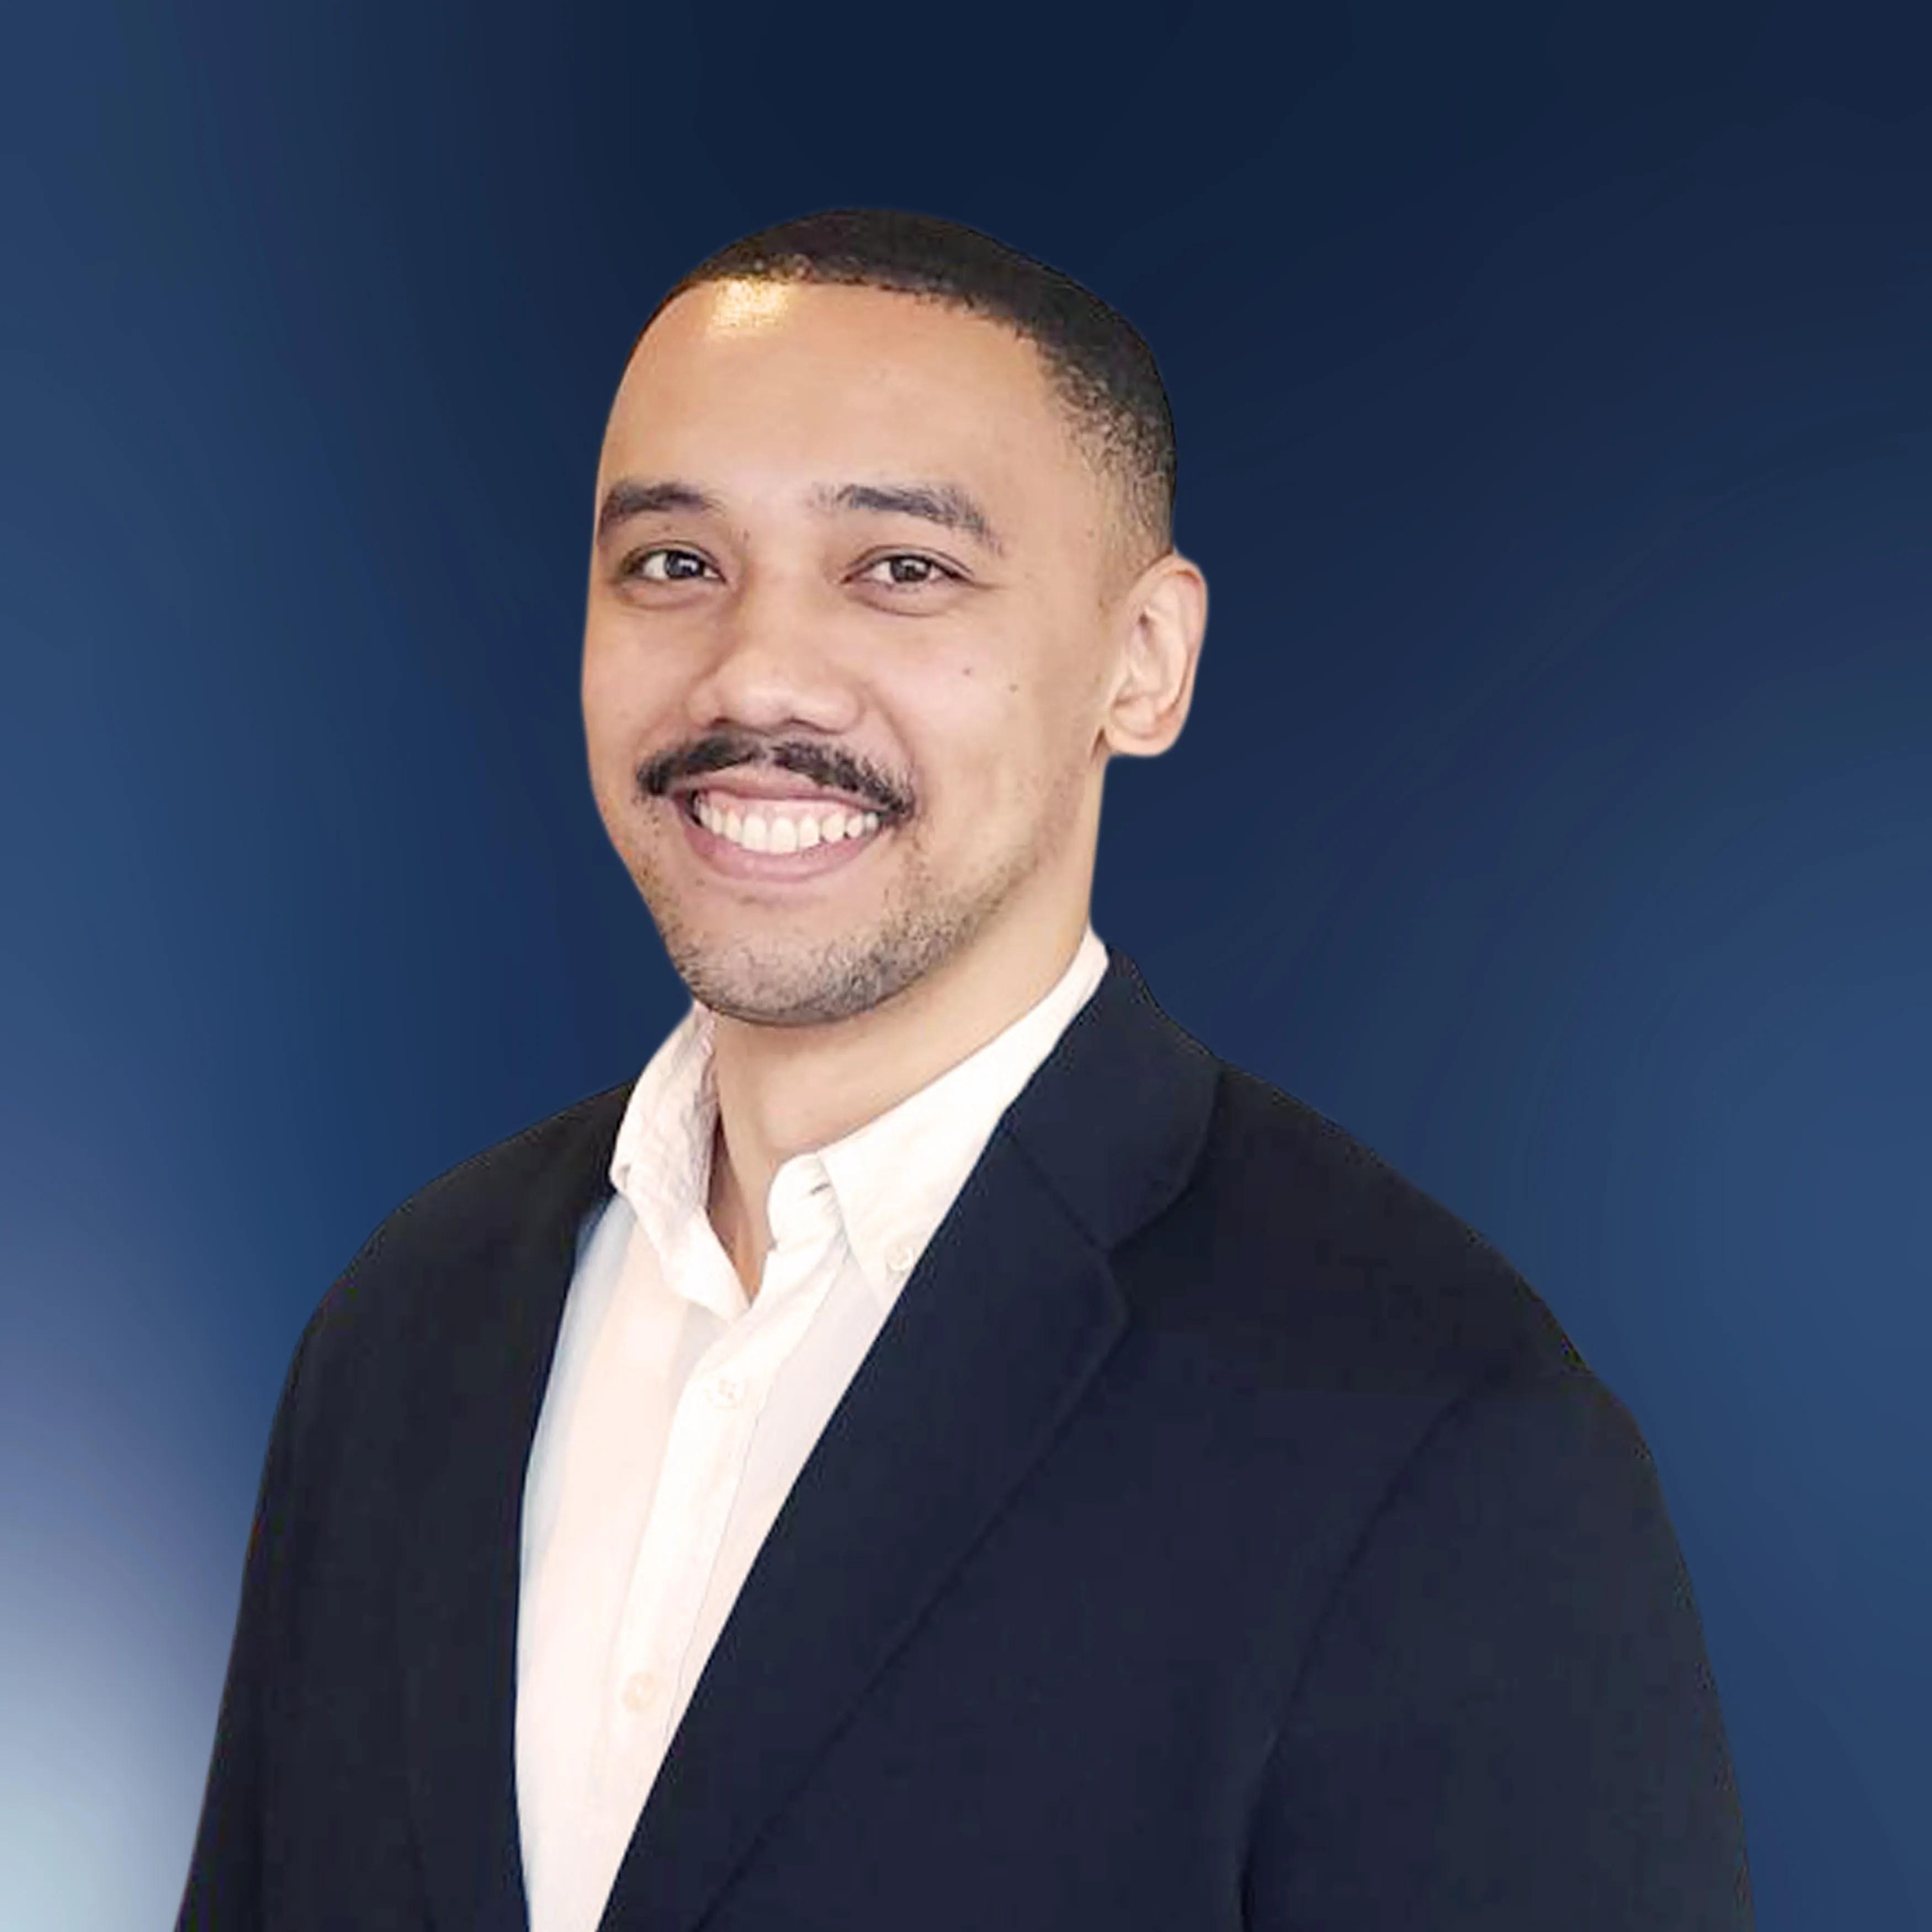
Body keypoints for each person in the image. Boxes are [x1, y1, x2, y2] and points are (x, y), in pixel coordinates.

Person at [177, 208, 1753, 1931]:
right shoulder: (405, 1331)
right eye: (674, 563)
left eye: (901, 568)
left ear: (1140, 663)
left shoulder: (1438, 1437)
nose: (756, 672)